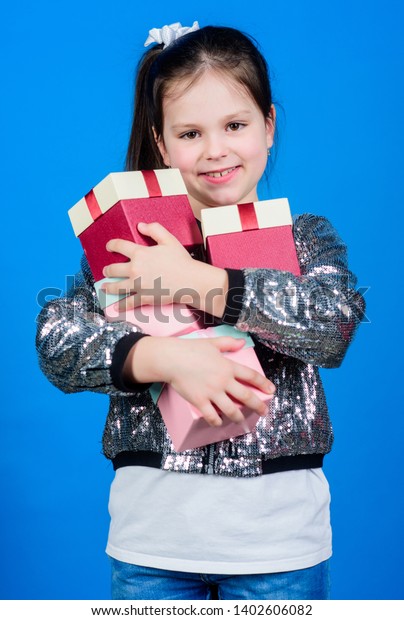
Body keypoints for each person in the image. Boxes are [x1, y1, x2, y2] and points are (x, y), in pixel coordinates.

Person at [36, 22, 365, 600]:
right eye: (190, 133)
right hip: (152, 541)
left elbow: (333, 323)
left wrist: (200, 282)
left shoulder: (303, 237)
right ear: (162, 144)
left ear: (268, 126)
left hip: (279, 544)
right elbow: (57, 340)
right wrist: (160, 357)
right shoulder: (131, 245)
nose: (215, 150)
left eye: (235, 125)